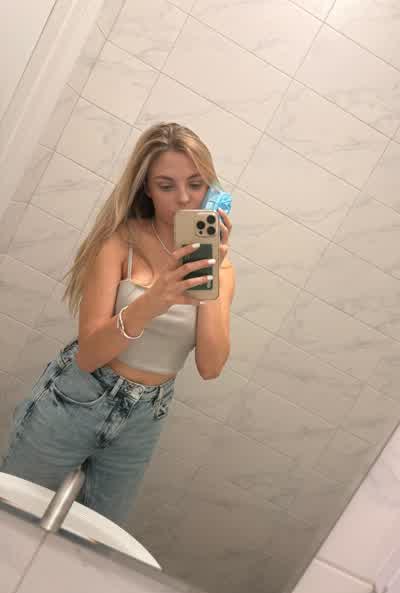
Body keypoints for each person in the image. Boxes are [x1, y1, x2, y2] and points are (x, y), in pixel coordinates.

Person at [0, 122, 235, 527]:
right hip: (77, 398)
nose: (184, 198)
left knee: (93, 542)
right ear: (146, 188)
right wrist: (153, 301)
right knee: (11, 519)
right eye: (166, 185)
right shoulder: (118, 243)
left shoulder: (222, 268)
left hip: (145, 417)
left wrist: (209, 271)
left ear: (211, 188)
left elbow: (210, 367)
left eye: (196, 184)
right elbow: (89, 355)